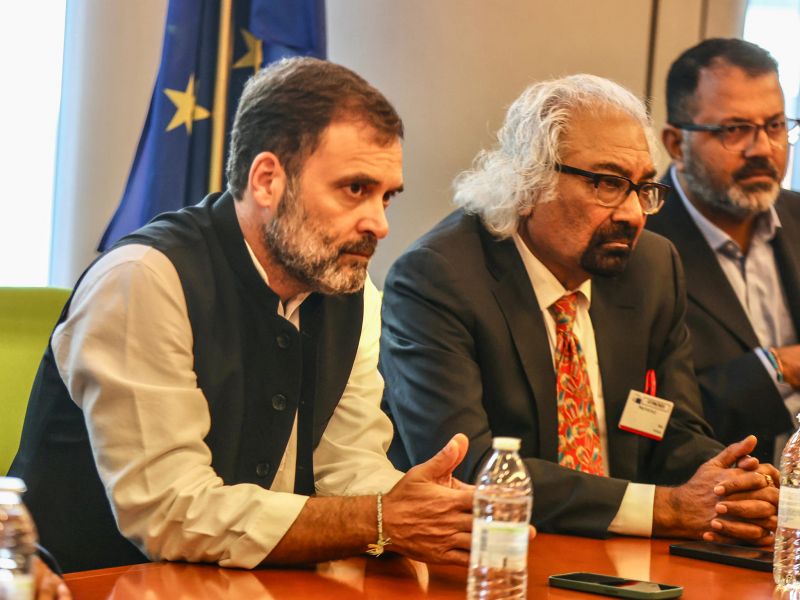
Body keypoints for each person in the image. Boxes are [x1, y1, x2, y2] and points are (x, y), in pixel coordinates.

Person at [10, 57, 478, 573]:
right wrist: (383, 519)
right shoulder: (145, 278)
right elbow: (171, 512)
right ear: (267, 181)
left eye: (386, 197)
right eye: (355, 189)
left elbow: (346, 464)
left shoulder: (353, 293)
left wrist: (434, 511)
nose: (380, 224)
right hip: (87, 584)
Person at [380, 73, 779, 544]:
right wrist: (662, 508)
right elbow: (470, 468)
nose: (632, 214)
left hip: (625, 558)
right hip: (491, 554)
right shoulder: (439, 277)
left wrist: (730, 486)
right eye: (607, 183)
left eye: (643, 187)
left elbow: (671, 429)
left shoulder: (651, 267)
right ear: (530, 179)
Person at [648, 38, 800, 464]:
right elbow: (646, 416)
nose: (763, 149)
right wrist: (778, 367)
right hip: (704, 500)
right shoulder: (638, 243)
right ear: (677, 144)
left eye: (774, 126)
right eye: (734, 130)